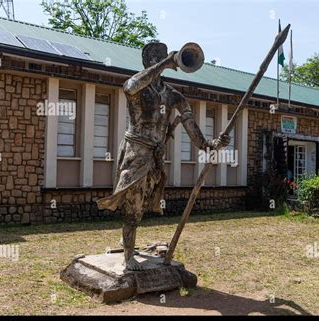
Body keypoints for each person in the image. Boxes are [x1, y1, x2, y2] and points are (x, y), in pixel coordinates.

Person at [97, 42, 229, 271]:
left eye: (163, 55)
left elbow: (189, 123)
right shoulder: (138, 86)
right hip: (136, 152)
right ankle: (128, 257)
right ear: (148, 61)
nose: (162, 59)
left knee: (145, 200)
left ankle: (126, 239)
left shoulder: (172, 95)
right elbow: (129, 87)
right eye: (156, 57)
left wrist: (210, 144)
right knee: (133, 202)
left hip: (156, 155)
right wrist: (164, 63)